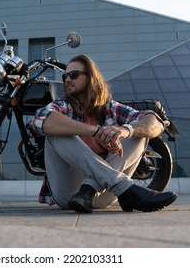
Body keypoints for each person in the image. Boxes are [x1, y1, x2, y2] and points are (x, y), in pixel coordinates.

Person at [30, 54, 177, 213]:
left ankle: (89, 190)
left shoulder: (110, 108)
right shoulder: (62, 105)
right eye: (65, 76)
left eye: (73, 75)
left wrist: (124, 130)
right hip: (68, 194)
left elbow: (154, 122)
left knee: (139, 131)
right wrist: (96, 131)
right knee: (54, 129)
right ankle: (125, 189)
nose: (67, 80)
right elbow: (41, 120)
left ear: (90, 78)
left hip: (103, 195)